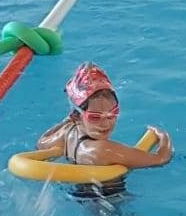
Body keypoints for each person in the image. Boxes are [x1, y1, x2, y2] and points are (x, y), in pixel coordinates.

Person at [37, 61, 172, 171]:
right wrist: (163, 136)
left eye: (113, 113)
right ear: (77, 117)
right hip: (109, 199)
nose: (106, 123)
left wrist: (68, 120)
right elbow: (160, 159)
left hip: (81, 191)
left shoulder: (67, 132)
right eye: (95, 117)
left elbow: (41, 144)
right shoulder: (102, 150)